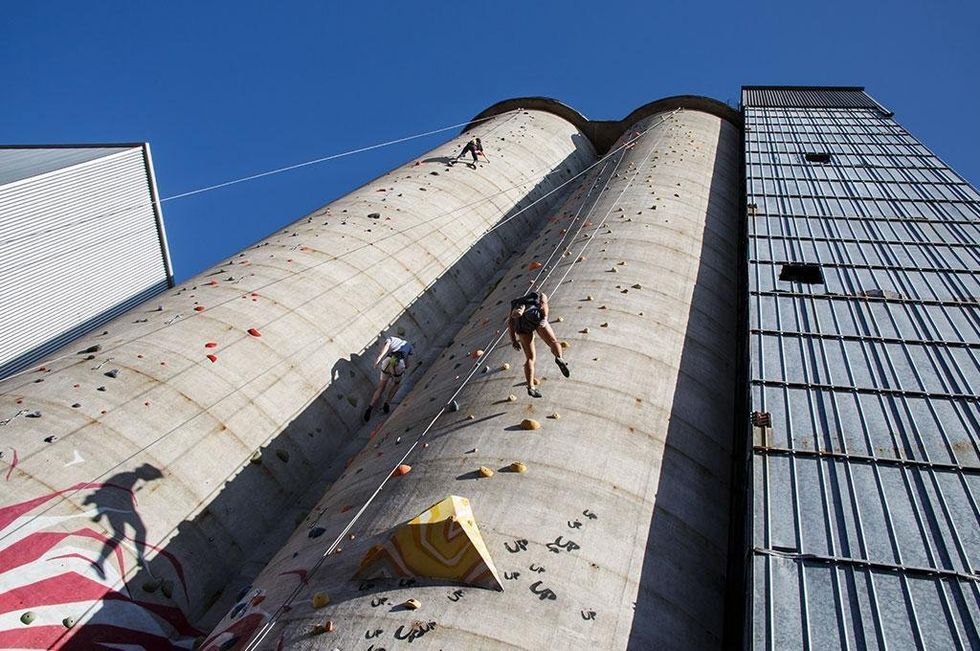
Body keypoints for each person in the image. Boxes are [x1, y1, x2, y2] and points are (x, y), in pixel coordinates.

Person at [507, 291, 569, 398]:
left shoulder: (515, 304)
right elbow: (544, 304)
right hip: (534, 315)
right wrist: (544, 318)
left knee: (530, 358)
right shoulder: (537, 295)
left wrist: (513, 340)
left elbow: (510, 323)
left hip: (520, 323)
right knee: (553, 342)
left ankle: (531, 387)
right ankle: (559, 358)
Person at [364, 334, 414, 421]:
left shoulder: (391, 338)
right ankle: (387, 403)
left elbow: (386, 347)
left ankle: (370, 407)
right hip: (398, 362)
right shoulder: (409, 346)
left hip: (387, 360)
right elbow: (407, 364)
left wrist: (379, 358)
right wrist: (403, 368)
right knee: (396, 383)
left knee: (381, 387)